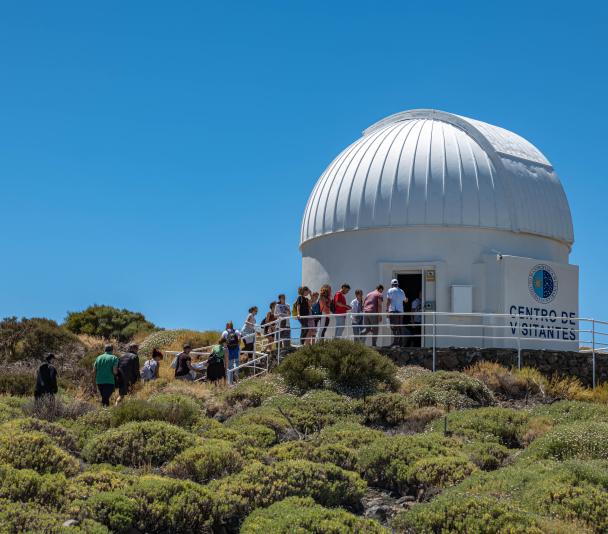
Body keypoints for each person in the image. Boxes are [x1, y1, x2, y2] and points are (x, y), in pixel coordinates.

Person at [386, 279, 408, 346]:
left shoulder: (390, 290)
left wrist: (387, 310)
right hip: (400, 312)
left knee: (393, 327)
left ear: (392, 284)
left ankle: (396, 342)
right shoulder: (401, 291)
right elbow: (406, 301)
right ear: (397, 284)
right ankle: (400, 342)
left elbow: (389, 300)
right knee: (399, 327)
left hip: (393, 311)